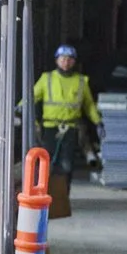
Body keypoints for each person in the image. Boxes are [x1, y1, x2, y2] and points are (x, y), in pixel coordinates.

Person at [34, 42, 99, 181]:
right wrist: (19, 109)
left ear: (74, 61)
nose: (66, 62)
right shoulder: (47, 79)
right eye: (62, 58)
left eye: (69, 59)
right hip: (49, 128)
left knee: (67, 165)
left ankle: (63, 195)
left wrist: (98, 122)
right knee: (47, 164)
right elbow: (32, 96)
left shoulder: (81, 81)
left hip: (70, 128)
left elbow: (89, 105)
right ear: (56, 60)